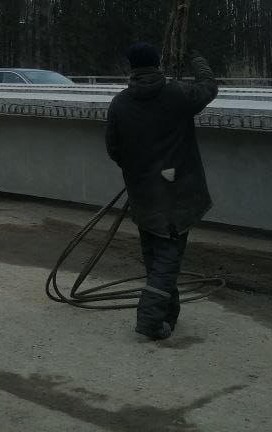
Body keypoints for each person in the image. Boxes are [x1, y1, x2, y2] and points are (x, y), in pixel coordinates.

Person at [105, 42, 220, 340]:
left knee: (155, 257)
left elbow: (113, 149)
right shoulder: (177, 94)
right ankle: (150, 320)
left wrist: (139, 171)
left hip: (143, 193)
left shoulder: (120, 104)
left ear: (131, 67)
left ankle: (168, 314)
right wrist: (194, 55)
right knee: (167, 259)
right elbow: (208, 86)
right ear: (157, 63)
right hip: (177, 193)